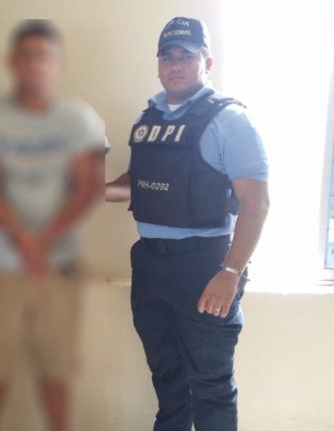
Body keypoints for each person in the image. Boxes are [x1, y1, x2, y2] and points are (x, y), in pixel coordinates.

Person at [105, 17, 270, 431]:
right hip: (150, 264)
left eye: (186, 55)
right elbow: (139, 182)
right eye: (167, 56)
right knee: (167, 377)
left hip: (204, 265)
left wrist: (230, 273)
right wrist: (96, 190)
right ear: (158, 64)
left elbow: (256, 203)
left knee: (211, 385)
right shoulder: (150, 117)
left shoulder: (230, 120)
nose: (175, 64)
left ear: (206, 62)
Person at [0, 19, 107, 431]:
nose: (35, 64)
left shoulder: (79, 119)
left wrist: (45, 240)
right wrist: (23, 239)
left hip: (58, 268)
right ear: (12, 62)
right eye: (26, 56)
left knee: (58, 371)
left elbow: (87, 187)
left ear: (58, 63)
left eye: (43, 57)